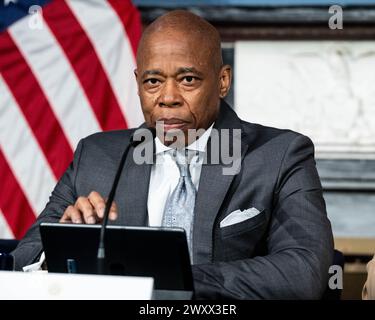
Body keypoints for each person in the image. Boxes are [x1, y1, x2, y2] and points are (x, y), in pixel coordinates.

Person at [11, 10, 333, 299]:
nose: (167, 97)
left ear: (223, 82)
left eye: (187, 79)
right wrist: (69, 243)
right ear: (138, 83)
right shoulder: (97, 158)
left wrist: (170, 278)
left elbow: (304, 272)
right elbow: (24, 257)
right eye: (153, 81)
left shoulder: (279, 156)